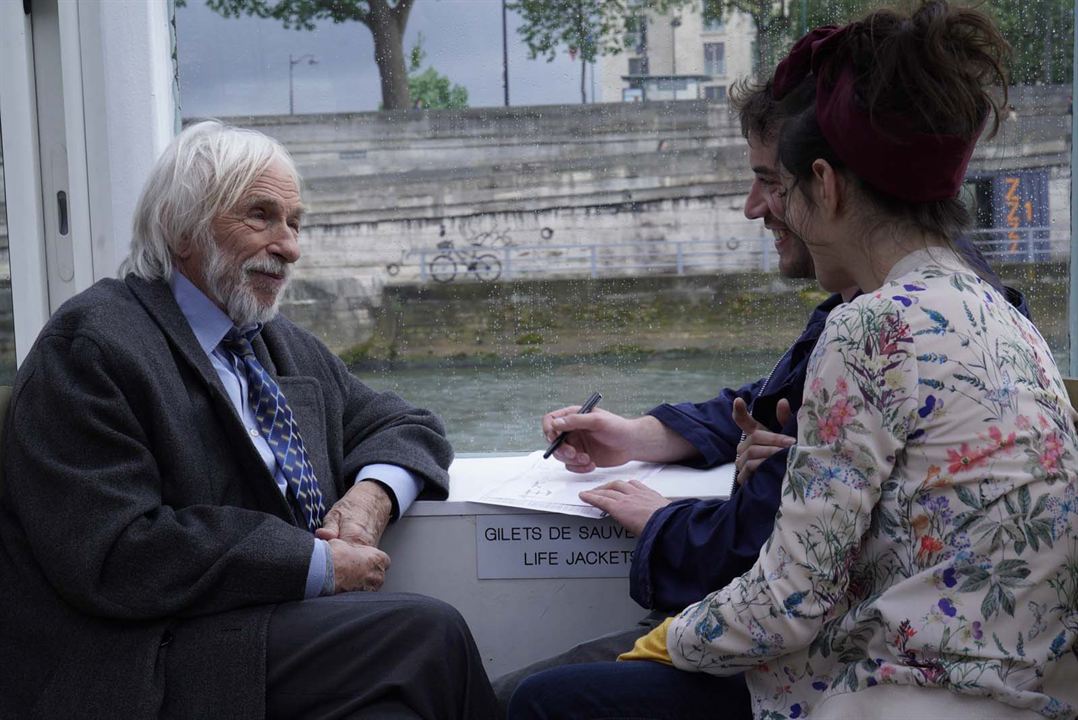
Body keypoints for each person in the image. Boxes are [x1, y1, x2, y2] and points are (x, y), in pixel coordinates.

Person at [510, 2, 1077, 719]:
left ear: (825, 184)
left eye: (781, 187)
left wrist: (661, 642)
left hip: (901, 694)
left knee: (544, 701)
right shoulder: (1003, 316)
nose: (767, 208)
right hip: (1021, 690)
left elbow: (788, 600)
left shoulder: (871, 328)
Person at [0, 120, 498, 719]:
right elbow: (115, 553)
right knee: (424, 633)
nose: (288, 245)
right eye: (260, 216)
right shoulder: (92, 347)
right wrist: (313, 564)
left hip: (254, 627)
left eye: (295, 222)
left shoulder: (272, 342)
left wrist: (371, 499)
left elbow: (405, 423)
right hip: (137, 659)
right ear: (180, 228)